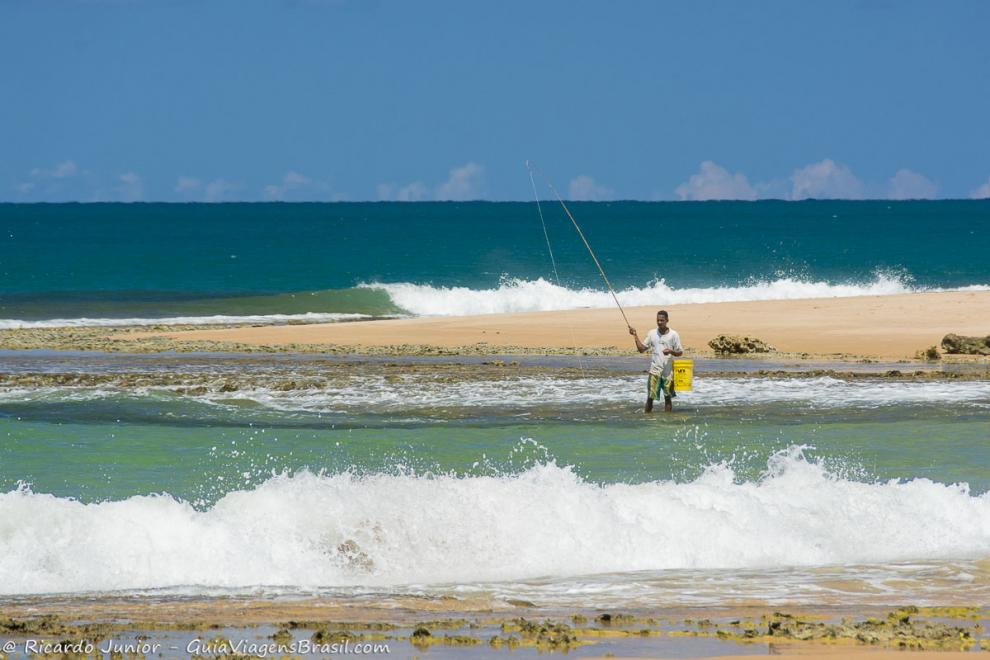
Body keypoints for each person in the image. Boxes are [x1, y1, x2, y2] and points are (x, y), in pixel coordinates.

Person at [629, 310, 683, 412]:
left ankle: (668, 421)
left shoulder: (674, 335)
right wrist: (635, 335)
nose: (659, 322)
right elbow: (641, 349)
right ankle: (647, 419)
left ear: (667, 320)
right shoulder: (652, 333)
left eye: (662, 320)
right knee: (650, 397)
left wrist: (671, 351)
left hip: (668, 373)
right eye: (658, 320)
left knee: (668, 398)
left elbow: (680, 352)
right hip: (654, 371)